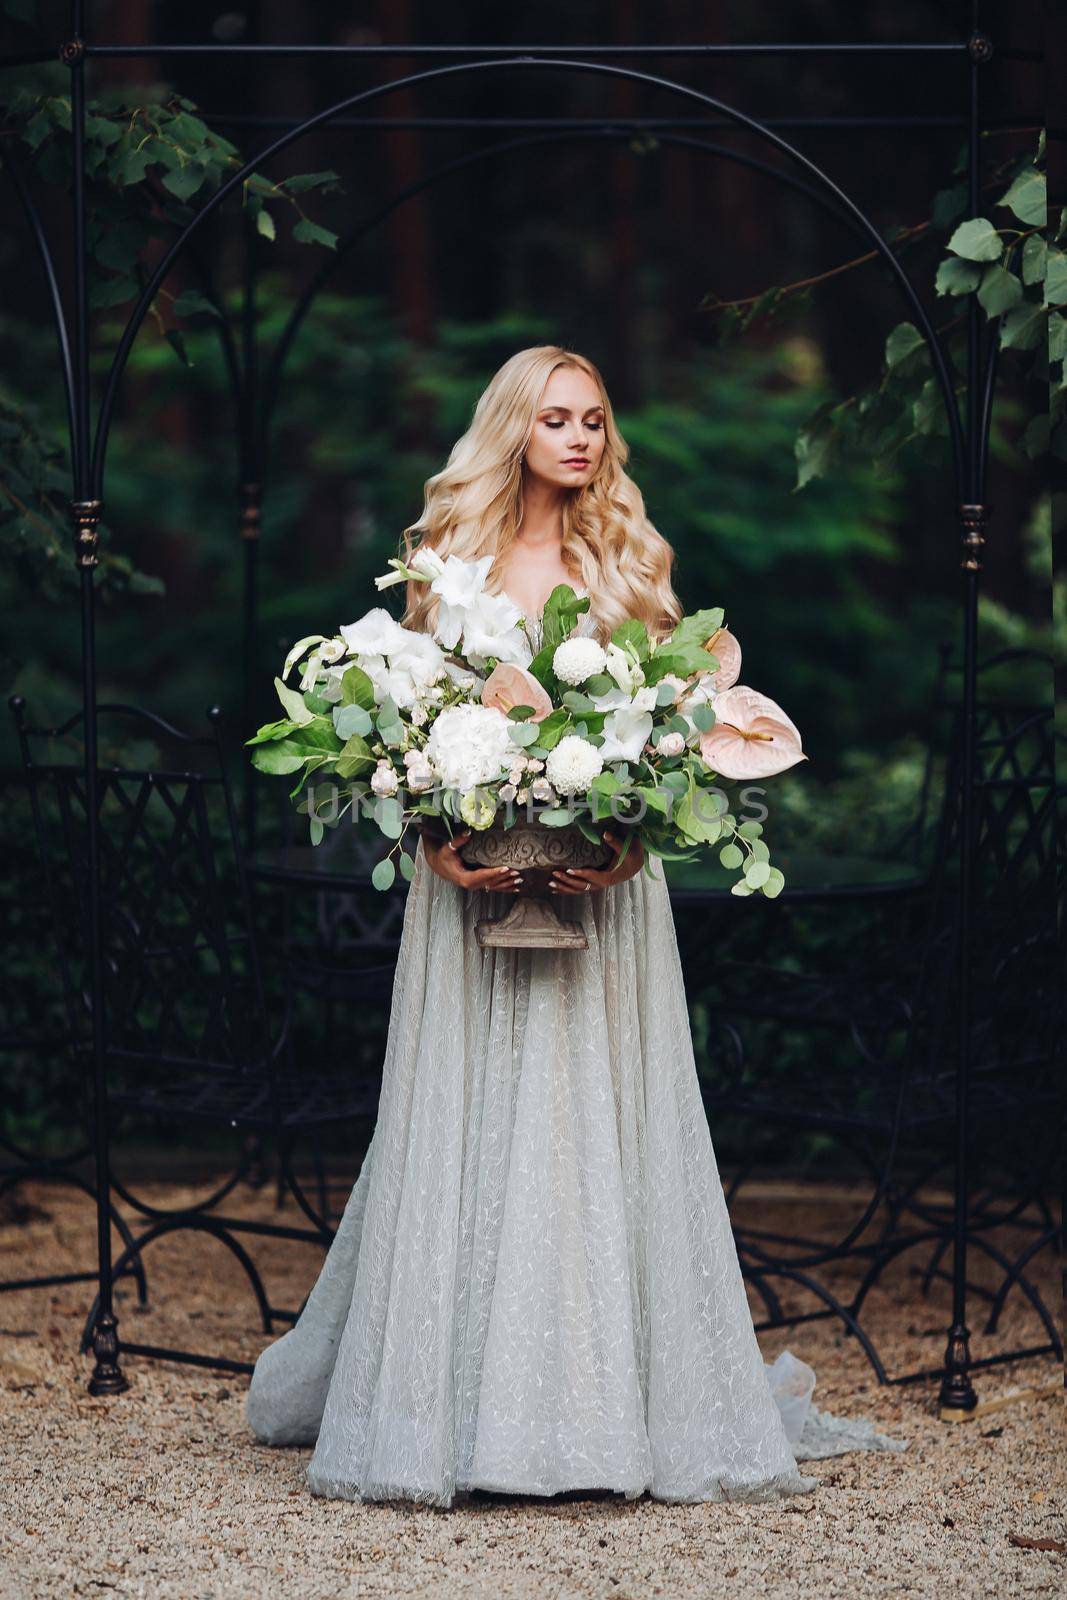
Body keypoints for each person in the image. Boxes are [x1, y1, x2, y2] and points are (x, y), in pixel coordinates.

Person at [245, 346, 901, 1506]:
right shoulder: (445, 566)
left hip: (606, 898)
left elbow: (663, 740)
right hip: (468, 893)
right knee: (475, 1121)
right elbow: (410, 735)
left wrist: (628, 844)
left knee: (596, 1120)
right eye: (555, 418)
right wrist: (437, 844)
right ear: (513, 429)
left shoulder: (630, 569)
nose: (580, 438)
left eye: (594, 419)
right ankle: (451, 1413)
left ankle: (600, 1414)